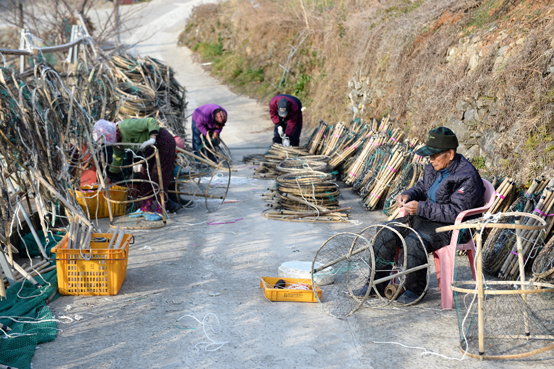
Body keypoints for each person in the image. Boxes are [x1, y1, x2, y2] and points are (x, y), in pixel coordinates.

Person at [354, 127, 485, 304]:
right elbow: (422, 188)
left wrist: (421, 208)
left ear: (450, 154)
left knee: (414, 241)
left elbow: (455, 212)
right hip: (423, 219)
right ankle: (376, 284)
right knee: (385, 231)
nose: (430, 160)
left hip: (449, 227)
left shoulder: (467, 176)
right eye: (429, 156)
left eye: (434, 155)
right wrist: (408, 195)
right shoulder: (433, 167)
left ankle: (415, 289)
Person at [92, 118, 181, 214]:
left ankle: (161, 210)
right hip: (150, 148)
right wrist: (106, 181)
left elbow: (150, 121)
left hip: (163, 141)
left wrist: (152, 138)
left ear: (109, 133)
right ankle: (146, 207)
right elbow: (116, 162)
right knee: (145, 174)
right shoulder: (117, 143)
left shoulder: (126, 126)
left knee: (159, 176)